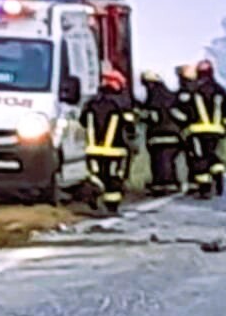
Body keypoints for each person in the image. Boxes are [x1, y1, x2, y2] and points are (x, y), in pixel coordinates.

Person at [79, 70, 138, 214]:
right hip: (115, 150)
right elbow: (130, 127)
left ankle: (93, 197)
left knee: (96, 176)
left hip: (92, 150)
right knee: (113, 179)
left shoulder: (90, 103)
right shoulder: (121, 103)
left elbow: (82, 121)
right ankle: (112, 207)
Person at [178, 59, 226, 198]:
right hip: (217, 131)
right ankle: (218, 174)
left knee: (200, 158)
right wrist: (225, 128)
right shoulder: (221, 90)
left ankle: (205, 188)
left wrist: (183, 126)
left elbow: (183, 110)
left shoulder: (192, 89)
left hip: (197, 131)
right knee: (212, 155)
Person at [138, 70, 186, 196]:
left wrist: (139, 114)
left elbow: (153, 117)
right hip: (175, 136)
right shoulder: (170, 96)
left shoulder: (153, 98)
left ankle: (162, 184)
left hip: (158, 136)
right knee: (168, 161)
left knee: (159, 161)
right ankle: (171, 183)